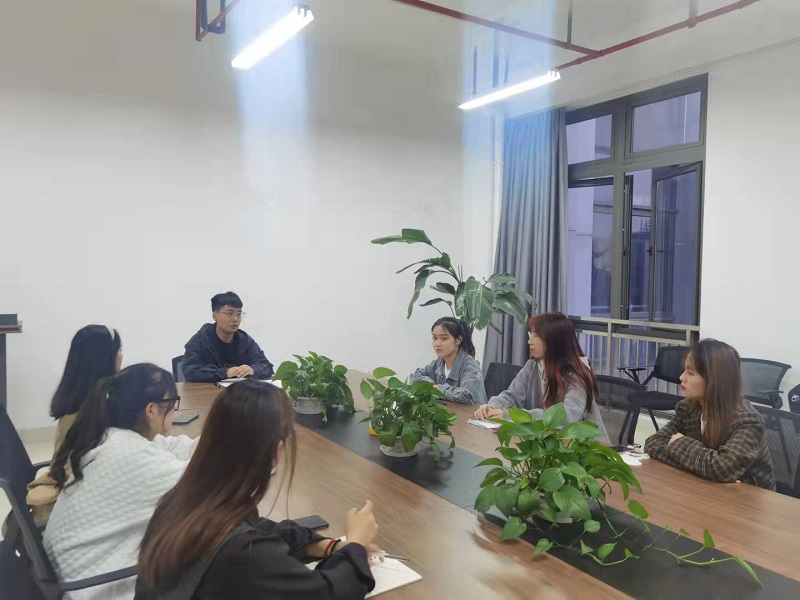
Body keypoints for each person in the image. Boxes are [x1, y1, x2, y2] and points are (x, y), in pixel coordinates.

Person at [135, 380, 378, 600]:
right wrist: (356, 541)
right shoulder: (244, 553)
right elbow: (327, 592)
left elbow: (263, 529)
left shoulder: (181, 502)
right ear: (277, 451)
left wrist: (327, 546)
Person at [43, 364, 197, 600]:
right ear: (151, 410)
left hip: (67, 573)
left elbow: (167, 447)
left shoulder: (109, 436)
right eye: (173, 404)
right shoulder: (132, 457)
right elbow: (200, 482)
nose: (175, 413)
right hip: (92, 586)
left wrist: (210, 442)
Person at [643, 340, 775, 489]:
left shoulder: (747, 421)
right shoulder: (688, 408)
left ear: (715, 379)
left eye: (690, 373)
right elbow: (653, 444)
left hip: (749, 497)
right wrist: (703, 468)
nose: (681, 377)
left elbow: (722, 469)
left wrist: (680, 443)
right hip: (708, 488)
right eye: (684, 370)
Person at [26, 325, 123, 523]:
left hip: (71, 485)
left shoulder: (77, 398)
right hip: (77, 502)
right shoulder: (93, 410)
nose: (122, 355)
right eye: (119, 350)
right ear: (105, 360)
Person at [474, 312, 609, 443]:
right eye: (530, 335)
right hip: (547, 441)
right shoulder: (532, 366)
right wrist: (491, 408)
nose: (529, 341)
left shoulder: (577, 374)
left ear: (554, 341)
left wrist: (510, 416)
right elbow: (511, 396)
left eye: (536, 336)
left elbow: (567, 417)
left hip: (585, 447)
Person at [183, 291, 274, 382]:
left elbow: (267, 366)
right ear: (215, 316)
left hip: (239, 389)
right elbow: (191, 372)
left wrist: (253, 370)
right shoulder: (201, 340)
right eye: (229, 313)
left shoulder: (245, 340)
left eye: (239, 314)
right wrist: (225, 373)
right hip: (208, 390)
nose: (235, 319)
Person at [410, 317, 486, 405]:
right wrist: (431, 386)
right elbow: (414, 377)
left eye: (443, 338)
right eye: (435, 338)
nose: (437, 344)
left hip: (471, 413)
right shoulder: (439, 363)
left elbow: (465, 396)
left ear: (458, 340)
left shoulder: (470, 365)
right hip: (449, 411)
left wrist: (439, 389)